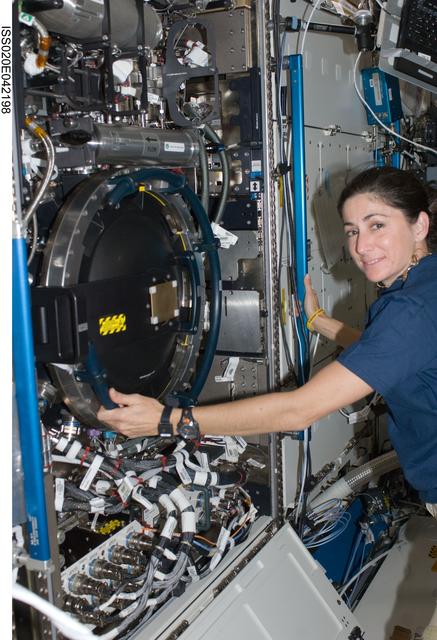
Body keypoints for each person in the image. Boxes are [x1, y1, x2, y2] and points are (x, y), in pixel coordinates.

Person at [97, 166, 437, 514]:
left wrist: (167, 420)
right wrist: (320, 322)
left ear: (419, 226)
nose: (361, 246)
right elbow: (387, 352)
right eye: (352, 231)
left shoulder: (410, 310)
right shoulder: (423, 287)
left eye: (377, 225)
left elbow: (299, 410)